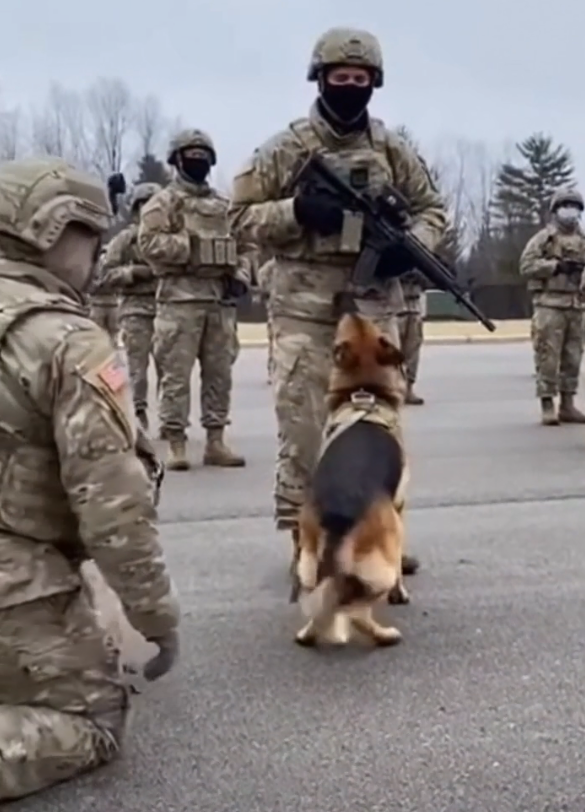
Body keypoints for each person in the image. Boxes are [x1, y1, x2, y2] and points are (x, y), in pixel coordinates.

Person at [228, 27, 447, 574]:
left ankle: (381, 537)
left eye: (361, 79)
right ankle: (306, 544)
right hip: (303, 308)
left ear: (375, 83)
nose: (350, 87)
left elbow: (432, 209)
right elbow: (239, 218)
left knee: (379, 435)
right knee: (303, 433)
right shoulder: (286, 149)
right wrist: (297, 212)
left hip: (374, 303)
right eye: (340, 78)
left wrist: (410, 249)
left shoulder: (392, 149)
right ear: (319, 79)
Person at [0, 158, 180, 801]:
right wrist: (157, 619)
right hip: (15, 576)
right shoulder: (66, 340)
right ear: (51, 230)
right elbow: (113, 507)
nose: (97, 257)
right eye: (90, 239)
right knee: (91, 719)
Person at [138, 129, 249, 470]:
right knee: (175, 375)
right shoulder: (164, 203)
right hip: (179, 301)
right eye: (191, 154)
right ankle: (175, 443)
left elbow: (248, 246)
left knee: (220, 374)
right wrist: (193, 248)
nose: (198, 160)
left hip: (219, 301)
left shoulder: (223, 206)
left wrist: (241, 274)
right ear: (177, 160)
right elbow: (149, 244)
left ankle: (215, 440)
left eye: (203, 154)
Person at [99, 182, 162, 430]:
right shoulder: (125, 240)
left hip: (167, 307)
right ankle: (137, 414)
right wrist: (134, 272)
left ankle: (171, 420)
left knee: (171, 370)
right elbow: (105, 275)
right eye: (144, 206)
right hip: (136, 309)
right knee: (137, 369)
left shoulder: (166, 238)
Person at [520, 188, 585, 425]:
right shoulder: (543, 239)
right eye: (565, 206)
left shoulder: (583, 239)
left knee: (573, 357)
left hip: (576, 305)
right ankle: (547, 404)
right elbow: (526, 266)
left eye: (575, 207)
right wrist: (555, 267)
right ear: (556, 210)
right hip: (550, 305)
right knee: (548, 356)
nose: (570, 211)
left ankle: (567, 405)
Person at [398, 270, 426, 404]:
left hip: (415, 307)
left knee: (413, 351)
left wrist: (420, 275)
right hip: (394, 307)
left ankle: (408, 387)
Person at [257, 254, 276, 385]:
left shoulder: (270, 267)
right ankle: (272, 370)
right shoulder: (269, 268)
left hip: (278, 309)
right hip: (275, 310)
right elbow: (262, 287)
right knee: (274, 342)